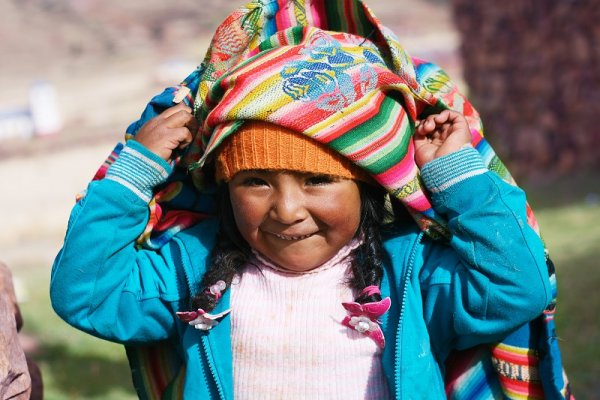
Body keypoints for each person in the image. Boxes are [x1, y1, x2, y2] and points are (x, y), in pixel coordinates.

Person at [50, 1, 571, 399]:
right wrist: (135, 171)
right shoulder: (195, 273)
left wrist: (455, 174)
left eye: (317, 181)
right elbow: (88, 294)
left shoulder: (409, 274)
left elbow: (517, 286)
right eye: (254, 182)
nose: (286, 209)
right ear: (224, 186)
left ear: (366, 186)